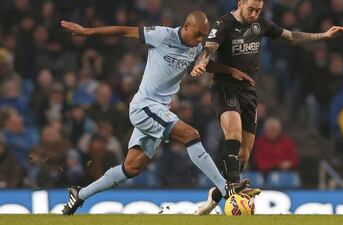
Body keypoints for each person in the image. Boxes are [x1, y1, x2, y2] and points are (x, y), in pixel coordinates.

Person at [60, 11, 255, 215]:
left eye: (203, 36)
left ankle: (79, 194)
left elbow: (205, 64)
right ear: (186, 27)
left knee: (132, 167)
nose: (200, 40)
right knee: (191, 134)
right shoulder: (162, 35)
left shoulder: (195, 47)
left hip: (159, 110)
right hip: (144, 106)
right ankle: (226, 188)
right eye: (197, 34)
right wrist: (87, 32)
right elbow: (125, 31)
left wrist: (230, 71)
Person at [191, 0, 343, 214]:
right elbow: (209, 48)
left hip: (249, 93)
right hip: (225, 88)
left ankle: (216, 195)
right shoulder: (224, 23)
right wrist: (201, 62)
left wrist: (323, 36)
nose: (255, 14)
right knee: (233, 136)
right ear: (240, 4)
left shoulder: (260, 24)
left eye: (258, 10)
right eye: (251, 9)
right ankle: (235, 194)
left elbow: (291, 37)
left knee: (243, 155)